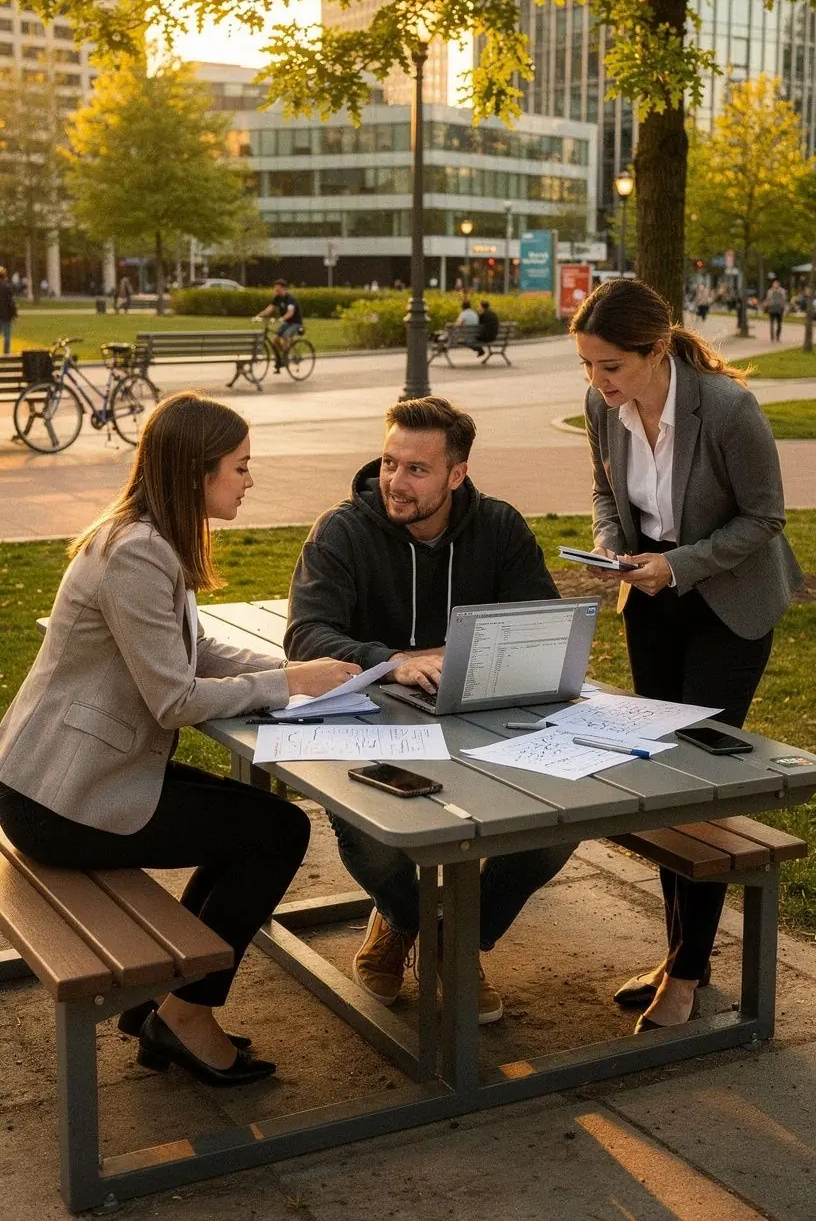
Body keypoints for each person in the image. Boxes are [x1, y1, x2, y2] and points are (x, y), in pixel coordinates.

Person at [0, 392, 359, 1087]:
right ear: (197, 473)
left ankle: (166, 1003)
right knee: (275, 833)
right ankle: (184, 1014)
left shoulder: (146, 534)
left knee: (262, 825)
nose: (249, 481)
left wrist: (302, 675)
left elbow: (194, 651)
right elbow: (175, 700)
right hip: (59, 801)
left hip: (63, 775)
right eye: (240, 467)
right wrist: (288, 684)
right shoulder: (139, 552)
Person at [285, 396, 575, 1024]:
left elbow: (541, 625)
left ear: (456, 474)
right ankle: (434, 937)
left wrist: (470, 653)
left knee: (560, 825)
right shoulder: (342, 531)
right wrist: (394, 659)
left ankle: (434, 935)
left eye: (417, 469)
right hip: (370, 728)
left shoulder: (498, 527)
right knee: (378, 843)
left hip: (482, 719)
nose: (395, 481)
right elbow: (307, 635)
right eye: (390, 463)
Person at [570, 278, 802, 1033]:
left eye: (611, 366)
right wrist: (612, 544)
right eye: (588, 366)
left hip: (729, 601)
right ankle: (678, 953)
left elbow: (765, 517)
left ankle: (690, 971)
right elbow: (609, 494)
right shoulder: (602, 408)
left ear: (656, 351)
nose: (598, 383)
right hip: (653, 595)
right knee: (663, 776)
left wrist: (679, 565)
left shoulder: (727, 409)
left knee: (701, 780)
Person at [255, 278, 304, 373]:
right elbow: (269, 309)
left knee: (286, 336)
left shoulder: (291, 299)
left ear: (283, 288)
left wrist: (281, 319)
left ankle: (285, 359)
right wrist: (258, 316)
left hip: (295, 323)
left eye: (278, 289)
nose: (276, 290)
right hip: (287, 322)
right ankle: (281, 359)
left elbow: (290, 313)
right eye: (275, 289)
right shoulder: (277, 298)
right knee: (275, 340)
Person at [0, 265, 17, 355]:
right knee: (7, 336)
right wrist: (14, 314)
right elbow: (11, 302)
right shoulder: (7, 286)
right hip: (6, 315)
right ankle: (6, 353)